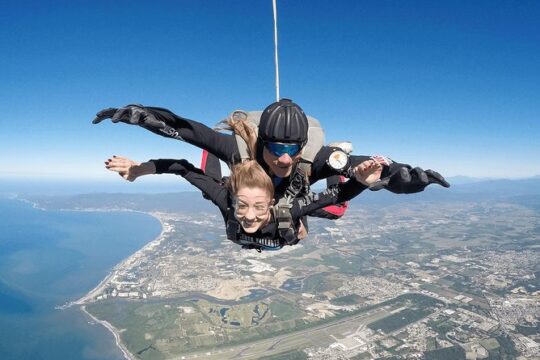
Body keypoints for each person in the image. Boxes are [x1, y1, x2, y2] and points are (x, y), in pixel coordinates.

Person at [104, 155, 382, 251]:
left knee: (337, 211)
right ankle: (222, 153)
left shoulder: (287, 210)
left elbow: (336, 197)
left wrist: (356, 176)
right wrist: (140, 170)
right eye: (242, 208)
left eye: (258, 209)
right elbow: (183, 169)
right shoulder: (230, 202)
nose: (248, 217)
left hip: (285, 201)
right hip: (251, 193)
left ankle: (336, 161)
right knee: (212, 188)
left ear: (271, 206)